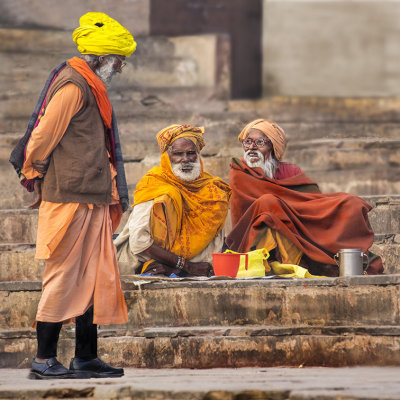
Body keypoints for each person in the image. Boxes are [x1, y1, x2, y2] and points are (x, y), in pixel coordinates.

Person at [9, 12, 136, 379]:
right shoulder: (74, 85)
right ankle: (44, 358)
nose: (121, 67)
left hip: (91, 197)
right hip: (69, 199)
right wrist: (35, 174)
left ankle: (86, 357)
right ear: (102, 58)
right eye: (119, 60)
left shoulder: (90, 85)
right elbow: (42, 137)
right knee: (63, 276)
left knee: (93, 278)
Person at [225, 119, 383, 276]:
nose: (252, 147)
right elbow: (244, 217)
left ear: (273, 148)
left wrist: (290, 212)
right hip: (258, 235)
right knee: (268, 204)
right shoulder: (240, 173)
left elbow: (313, 203)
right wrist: (277, 207)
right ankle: (285, 263)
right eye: (248, 142)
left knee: (351, 203)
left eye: (259, 142)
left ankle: (326, 261)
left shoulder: (290, 170)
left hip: (300, 225)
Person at [114, 124, 232, 277]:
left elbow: (214, 249)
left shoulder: (213, 190)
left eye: (191, 153)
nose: (185, 159)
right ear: (167, 157)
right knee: (167, 196)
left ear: (198, 155)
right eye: (178, 154)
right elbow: (139, 243)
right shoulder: (153, 185)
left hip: (196, 270)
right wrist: (186, 266)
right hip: (145, 265)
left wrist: (183, 269)